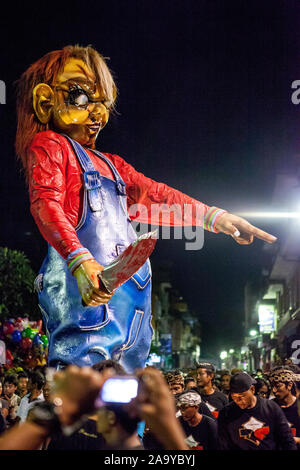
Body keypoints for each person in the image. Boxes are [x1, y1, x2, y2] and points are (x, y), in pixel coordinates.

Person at [15, 45, 277, 372]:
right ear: (44, 100)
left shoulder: (113, 166)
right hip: (91, 305)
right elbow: (46, 203)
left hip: (132, 311)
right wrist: (81, 262)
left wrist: (216, 217)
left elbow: (157, 196)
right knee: (85, 390)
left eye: (103, 102)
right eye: (81, 97)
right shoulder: (51, 146)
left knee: (129, 394)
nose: (97, 113)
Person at [0, 365, 188, 450]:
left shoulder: (66, 437)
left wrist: (60, 409)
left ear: (111, 419)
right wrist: (171, 431)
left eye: (95, 414)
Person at [218, 371, 297, 450]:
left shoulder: (271, 408)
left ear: (252, 389)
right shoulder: (226, 413)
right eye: (234, 397)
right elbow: (223, 444)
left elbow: (287, 440)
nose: (238, 400)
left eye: (242, 396)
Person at [269, 367, 300, 448]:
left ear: (289, 385)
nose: (274, 390)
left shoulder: (298, 406)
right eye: (272, 386)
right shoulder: (269, 406)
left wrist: (296, 440)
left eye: (278, 386)